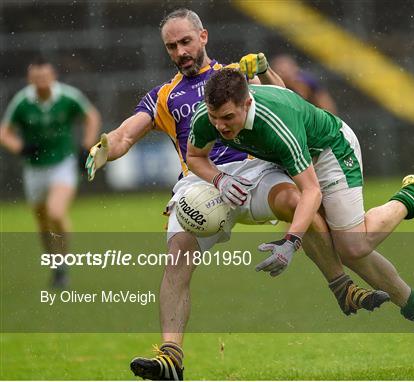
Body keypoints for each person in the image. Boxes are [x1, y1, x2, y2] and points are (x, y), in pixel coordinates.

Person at [84, 8, 388, 381]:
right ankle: (171, 357)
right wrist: (103, 150)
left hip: (255, 171)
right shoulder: (164, 96)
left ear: (203, 37)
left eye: (185, 42)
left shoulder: (232, 78)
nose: (180, 52)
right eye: (171, 46)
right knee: (178, 252)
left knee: (297, 201)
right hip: (202, 182)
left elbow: (286, 102)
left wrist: (262, 71)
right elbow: (125, 134)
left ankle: (343, 288)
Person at [187, 68, 414, 369]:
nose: (219, 126)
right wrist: (219, 180)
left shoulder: (277, 125)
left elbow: (312, 191)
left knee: (353, 247)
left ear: (247, 104)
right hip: (287, 161)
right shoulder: (207, 116)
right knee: (346, 251)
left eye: (227, 118)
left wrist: (291, 242)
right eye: (215, 117)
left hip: (330, 152)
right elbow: (196, 156)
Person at [0, 57, 101, 288]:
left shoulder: (67, 96)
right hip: (34, 169)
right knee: (43, 223)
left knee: (55, 213)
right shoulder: (22, 102)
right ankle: (56, 266)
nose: (41, 83)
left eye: (44, 78)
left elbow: (91, 116)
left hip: (62, 164)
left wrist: (86, 148)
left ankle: (64, 262)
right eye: (36, 79)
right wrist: (21, 148)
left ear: (53, 76)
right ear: (30, 79)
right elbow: (4, 132)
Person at [271, 53, 338, 113]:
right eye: (281, 71)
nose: (285, 74)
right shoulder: (272, 89)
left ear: (295, 69)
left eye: (287, 70)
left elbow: (328, 108)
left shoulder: (308, 83)